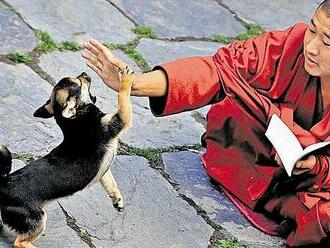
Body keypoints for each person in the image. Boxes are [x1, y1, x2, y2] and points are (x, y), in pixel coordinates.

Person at [82, 1, 330, 246]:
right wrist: (133, 84)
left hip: (317, 182)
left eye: (326, 41)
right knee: (236, 110)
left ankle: (292, 205)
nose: (311, 47)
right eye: (312, 29)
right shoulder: (292, 44)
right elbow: (218, 71)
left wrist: (318, 165)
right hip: (255, 154)